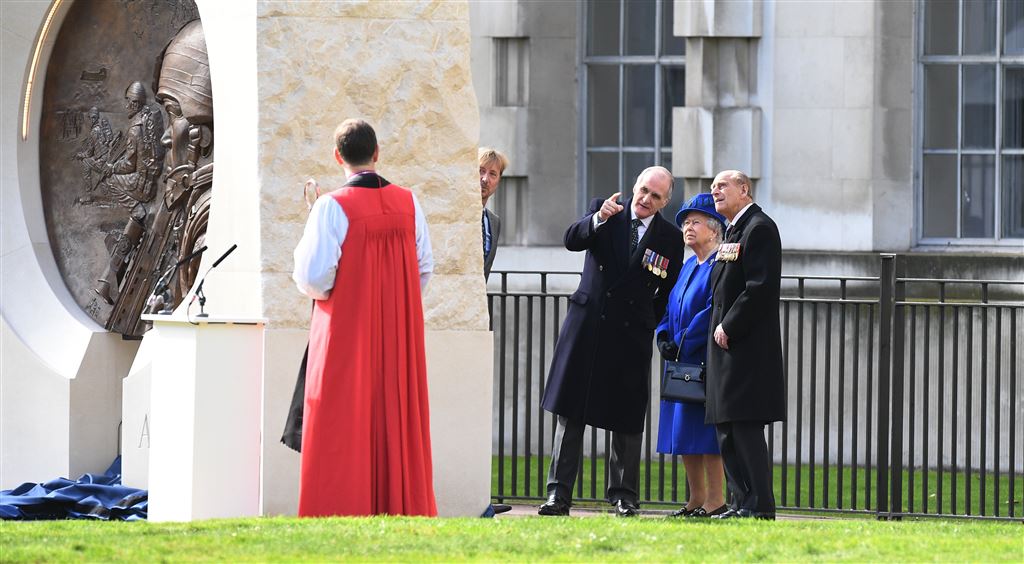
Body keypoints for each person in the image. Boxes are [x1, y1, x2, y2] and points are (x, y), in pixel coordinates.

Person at [292, 118, 437, 517]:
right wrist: (395, 300)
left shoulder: (330, 206)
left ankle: (338, 506)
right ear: (377, 153)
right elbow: (424, 267)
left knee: (340, 418)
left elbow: (312, 277)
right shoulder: (409, 202)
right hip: (398, 334)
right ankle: (400, 505)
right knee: (396, 418)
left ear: (337, 157)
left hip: (345, 330)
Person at [538, 166, 683, 517]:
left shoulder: (670, 237)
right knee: (571, 412)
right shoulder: (606, 211)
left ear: (665, 202)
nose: (646, 199)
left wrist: (647, 322)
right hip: (589, 327)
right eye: (644, 190)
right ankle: (558, 494)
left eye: (656, 196)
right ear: (635, 186)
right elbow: (572, 239)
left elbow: (667, 290)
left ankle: (624, 496)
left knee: (626, 418)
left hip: (630, 333)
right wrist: (598, 219)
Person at [705, 170, 785, 520]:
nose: (715, 191)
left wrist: (729, 325)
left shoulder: (759, 228)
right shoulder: (734, 230)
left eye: (722, 186)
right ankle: (740, 502)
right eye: (713, 187)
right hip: (726, 348)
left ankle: (759, 505)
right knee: (727, 427)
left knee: (745, 427)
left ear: (744, 189)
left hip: (746, 348)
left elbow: (760, 287)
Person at [655, 193, 728, 518]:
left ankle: (716, 499)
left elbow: (712, 311)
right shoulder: (687, 267)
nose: (688, 227)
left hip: (703, 359)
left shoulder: (718, 266)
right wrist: (663, 337)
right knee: (684, 432)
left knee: (705, 434)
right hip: (680, 361)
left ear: (714, 229)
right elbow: (670, 306)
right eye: (685, 222)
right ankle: (695, 498)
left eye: (695, 222)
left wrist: (683, 341)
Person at [479, 147, 507, 279]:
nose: (485, 179)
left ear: (498, 180)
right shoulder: (455, 215)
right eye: (481, 171)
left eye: (492, 174)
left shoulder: (494, 222)